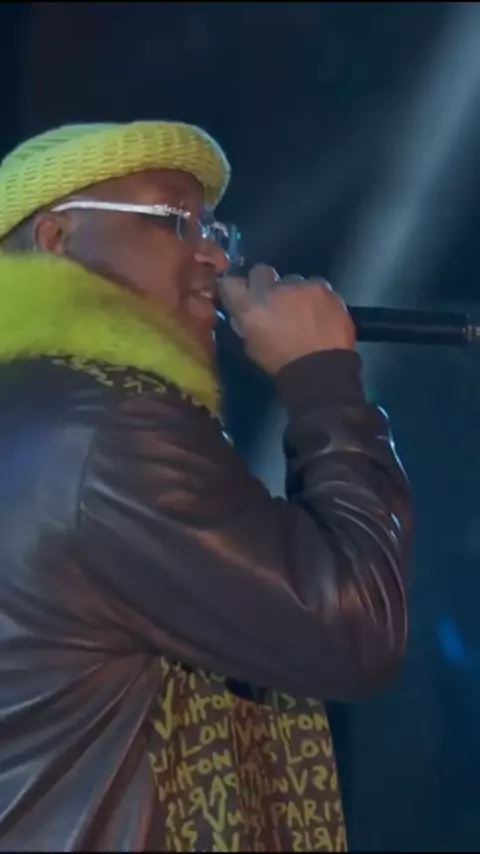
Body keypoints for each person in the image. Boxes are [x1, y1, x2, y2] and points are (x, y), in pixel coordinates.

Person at [0, 120, 411, 853]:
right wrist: (322, 382)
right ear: (57, 238)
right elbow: (352, 625)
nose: (215, 256)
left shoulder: (41, 410)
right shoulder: (111, 427)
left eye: (217, 230)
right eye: (175, 221)